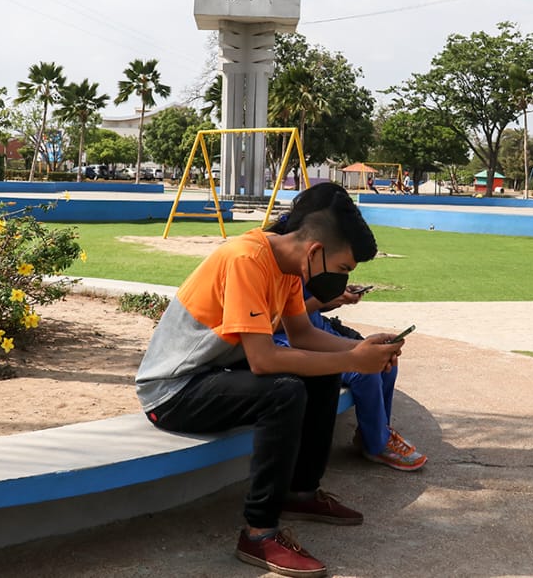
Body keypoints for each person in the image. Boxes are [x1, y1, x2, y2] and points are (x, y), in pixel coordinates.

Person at [135, 183, 402, 578]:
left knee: (322, 374)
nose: (342, 279)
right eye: (343, 268)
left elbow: (304, 336)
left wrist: (362, 350)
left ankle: (300, 492)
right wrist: (353, 359)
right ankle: (259, 533)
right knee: (284, 391)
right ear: (315, 251)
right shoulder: (246, 258)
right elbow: (263, 361)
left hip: (213, 374)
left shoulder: (288, 266)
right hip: (172, 391)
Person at [268, 184, 427, 473]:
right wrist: (326, 305)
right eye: (342, 269)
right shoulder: (282, 262)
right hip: (280, 339)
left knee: (382, 361)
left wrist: (335, 302)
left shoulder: (308, 259)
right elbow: (275, 326)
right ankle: (376, 443)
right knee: (363, 370)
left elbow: (302, 322)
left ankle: (375, 433)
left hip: (310, 330)